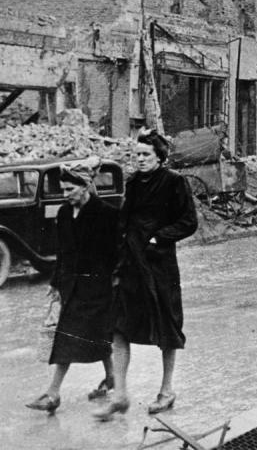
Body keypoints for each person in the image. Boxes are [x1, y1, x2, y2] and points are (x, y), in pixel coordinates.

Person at [94, 129, 199, 420]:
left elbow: (189, 221)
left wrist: (158, 239)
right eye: (136, 155)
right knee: (119, 327)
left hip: (158, 266)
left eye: (145, 155)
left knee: (166, 329)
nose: (139, 160)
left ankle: (166, 390)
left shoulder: (174, 182)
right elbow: (124, 222)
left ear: (159, 157)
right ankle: (121, 395)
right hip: (130, 265)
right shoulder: (134, 183)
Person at [26, 158, 119, 414]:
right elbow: (62, 252)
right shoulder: (64, 213)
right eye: (63, 190)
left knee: (78, 335)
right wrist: (56, 283)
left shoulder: (107, 214)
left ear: (86, 186)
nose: (65, 195)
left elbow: (117, 252)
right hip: (72, 286)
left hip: (99, 288)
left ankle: (53, 393)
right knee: (90, 334)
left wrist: (115, 279)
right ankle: (108, 377)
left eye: (70, 190)